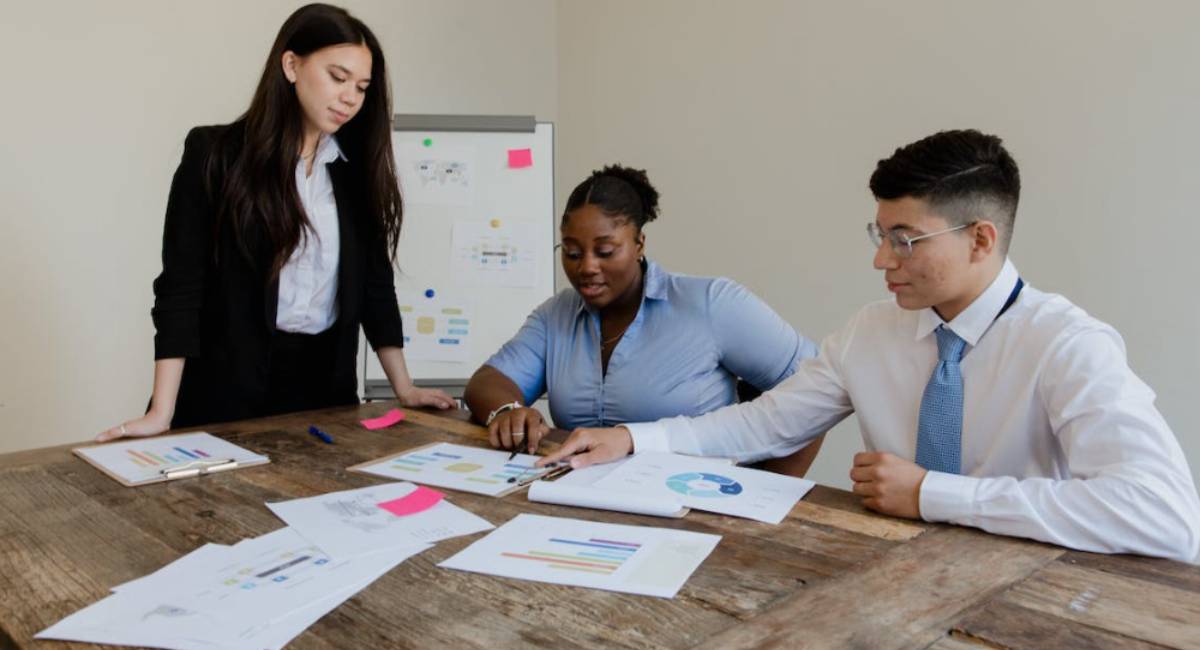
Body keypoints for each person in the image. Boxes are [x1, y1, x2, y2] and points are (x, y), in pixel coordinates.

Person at [542, 130, 1200, 562]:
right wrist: (635, 439)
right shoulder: (871, 332)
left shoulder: (1067, 345)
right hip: (888, 576)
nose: (881, 259)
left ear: (980, 240)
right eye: (878, 234)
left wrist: (931, 494)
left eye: (905, 239)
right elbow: (766, 423)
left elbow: (1165, 516)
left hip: (1034, 594)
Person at [98, 4, 452, 442]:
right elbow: (181, 287)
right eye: (337, 78)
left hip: (325, 397)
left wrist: (405, 387)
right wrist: (161, 410)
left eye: (361, 87)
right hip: (223, 395)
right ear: (291, 65)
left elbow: (375, 286)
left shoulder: (353, 171)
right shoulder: (215, 155)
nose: (350, 98)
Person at [463, 165, 825, 476]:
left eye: (605, 251)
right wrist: (508, 410)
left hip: (695, 510)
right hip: (581, 508)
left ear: (639, 244)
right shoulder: (557, 315)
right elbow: (488, 381)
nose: (586, 267)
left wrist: (769, 494)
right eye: (572, 253)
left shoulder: (710, 304)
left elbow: (814, 391)